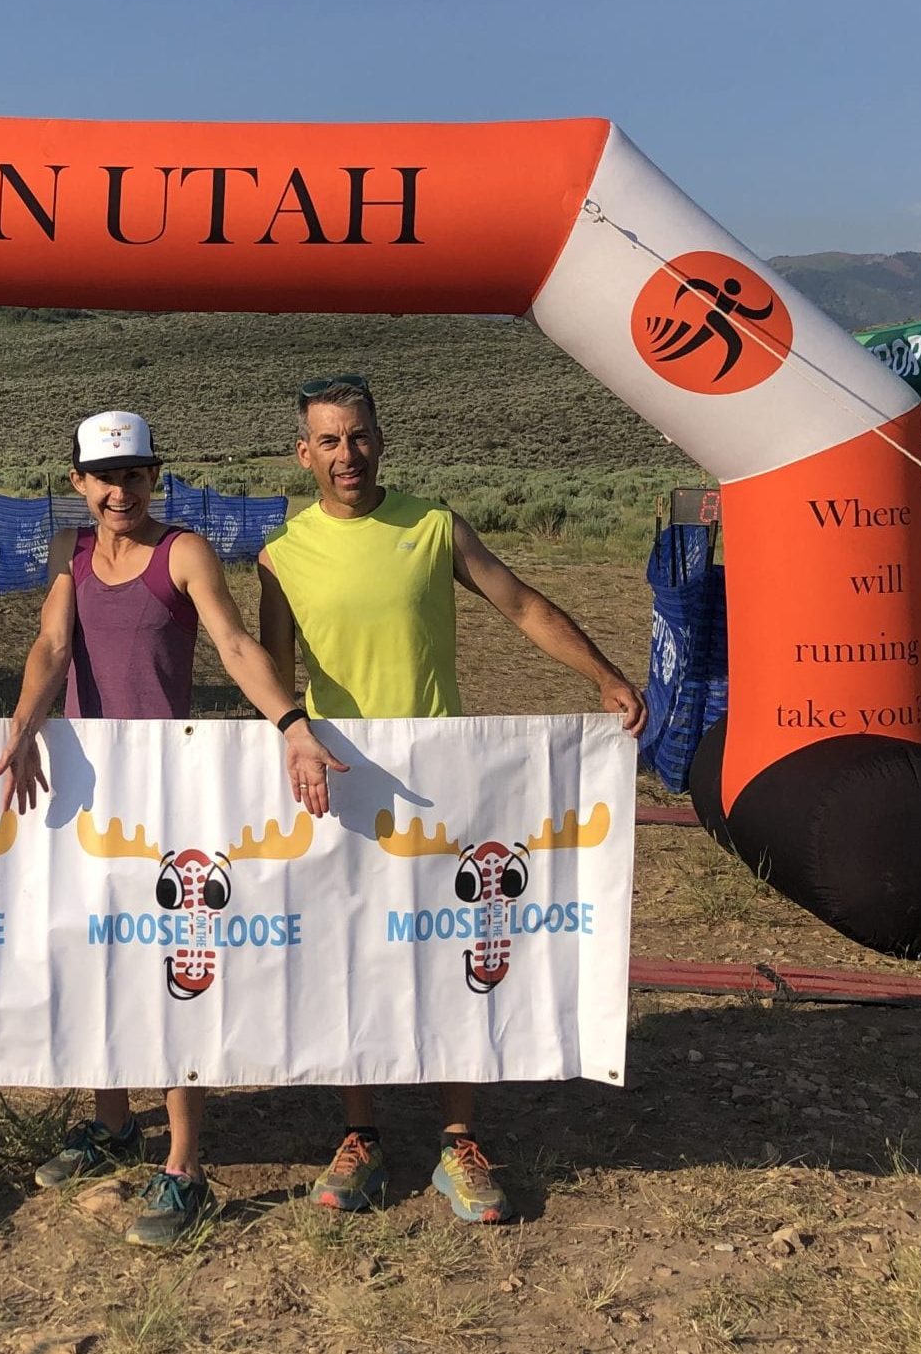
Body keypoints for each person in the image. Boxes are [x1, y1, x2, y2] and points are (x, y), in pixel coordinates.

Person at [255, 373, 646, 1225]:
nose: (346, 454)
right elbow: (274, 675)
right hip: (347, 791)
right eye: (328, 440)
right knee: (351, 958)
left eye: (358, 436)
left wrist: (603, 675)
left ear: (381, 439)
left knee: (453, 952)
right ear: (304, 452)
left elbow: (520, 605)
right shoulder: (280, 555)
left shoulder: (434, 525)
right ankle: (361, 1135)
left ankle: (458, 1139)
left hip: (444, 788)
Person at [0, 408, 344, 1248]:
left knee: (171, 968)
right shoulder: (69, 554)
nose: (121, 490)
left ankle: (184, 1162)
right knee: (93, 955)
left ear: (155, 476)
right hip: (87, 790)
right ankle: (113, 1123)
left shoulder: (182, 552)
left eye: (135, 474)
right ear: (77, 482)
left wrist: (292, 722)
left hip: (167, 790)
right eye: (104, 476)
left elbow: (231, 643)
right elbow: (49, 644)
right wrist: (21, 722)